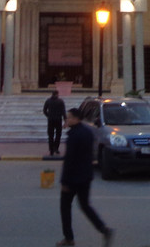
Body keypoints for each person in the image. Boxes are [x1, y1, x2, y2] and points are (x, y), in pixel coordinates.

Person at [59, 107, 113, 247]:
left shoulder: (74, 135)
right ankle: (103, 229)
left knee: (65, 207)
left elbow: (69, 159)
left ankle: (69, 238)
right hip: (85, 176)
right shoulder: (87, 132)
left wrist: (65, 181)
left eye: (69, 117)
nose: (67, 119)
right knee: (85, 205)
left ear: (76, 118)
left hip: (73, 179)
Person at [43, 89, 66, 155]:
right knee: (58, 135)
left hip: (51, 120)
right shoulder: (60, 101)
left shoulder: (48, 101)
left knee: (50, 135)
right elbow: (63, 111)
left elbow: (44, 110)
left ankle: (51, 149)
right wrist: (65, 120)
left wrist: (48, 116)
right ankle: (56, 148)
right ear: (57, 94)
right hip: (58, 120)